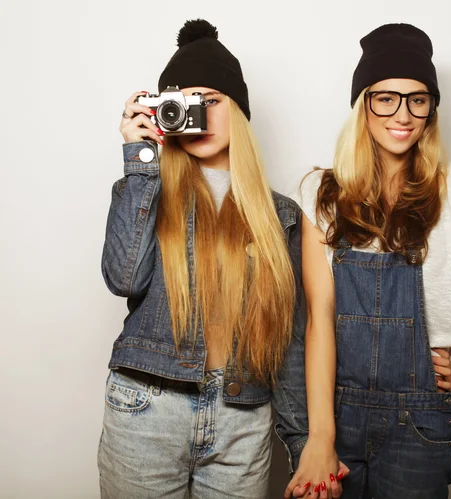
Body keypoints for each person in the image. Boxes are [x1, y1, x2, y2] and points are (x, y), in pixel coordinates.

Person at [286, 23, 451, 499]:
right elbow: (320, 323)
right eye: (386, 98)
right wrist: (320, 438)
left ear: (431, 109)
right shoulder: (322, 194)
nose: (403, 113)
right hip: (336, 411)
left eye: (418, 99)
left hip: (421, 423)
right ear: (363, 106)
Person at [98, 19, 308, 499]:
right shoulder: (145, 193)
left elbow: (289, 340)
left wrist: (303, 440)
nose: (199, 115)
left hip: (243, 419)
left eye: (211, 101)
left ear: (239, 110)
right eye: (186, 103)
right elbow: (124, 279)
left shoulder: (283, 218)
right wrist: (140, 160)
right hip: (146, 408)